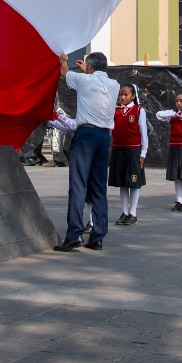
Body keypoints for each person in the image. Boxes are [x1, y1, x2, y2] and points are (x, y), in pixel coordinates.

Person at [55, 51, 117, 252]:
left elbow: (64, 73)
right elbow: (94, 80)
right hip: (104, 136)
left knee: (78, 185)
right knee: (99, 187)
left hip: (86, 135)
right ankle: (98, 236)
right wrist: (87, 70)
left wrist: (64, 58)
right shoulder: (114, 85)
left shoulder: (84, 80)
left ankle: (74, 234)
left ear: (90, 66)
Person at [109, 84, 148, 226]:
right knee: (122, 184)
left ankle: (133, 213)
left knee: (134, 183)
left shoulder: (138, 111)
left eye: (126, 95)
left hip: (133, 151)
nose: (123, 97)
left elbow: (143, 133)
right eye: (121, 95)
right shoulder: (115, 111)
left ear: (133, 96)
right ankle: (124, 212)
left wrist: (143, 153)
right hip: (118, 150)